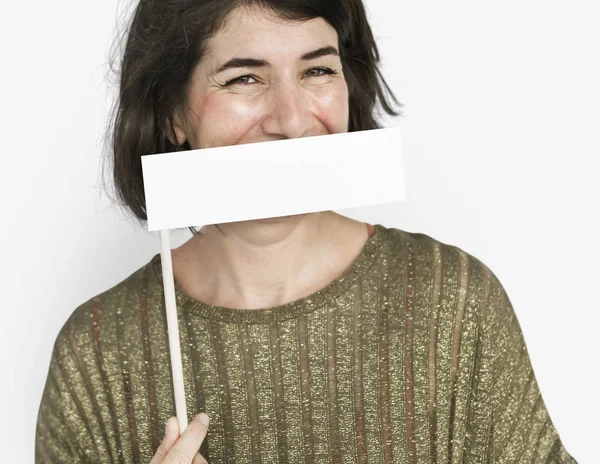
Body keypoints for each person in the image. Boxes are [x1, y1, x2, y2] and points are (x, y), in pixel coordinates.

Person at [35, 0, 577, 462]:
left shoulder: (454, 302)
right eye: (245, 78)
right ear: (173, 111)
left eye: (317, 70)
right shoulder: (97, 354)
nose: (291, 122)